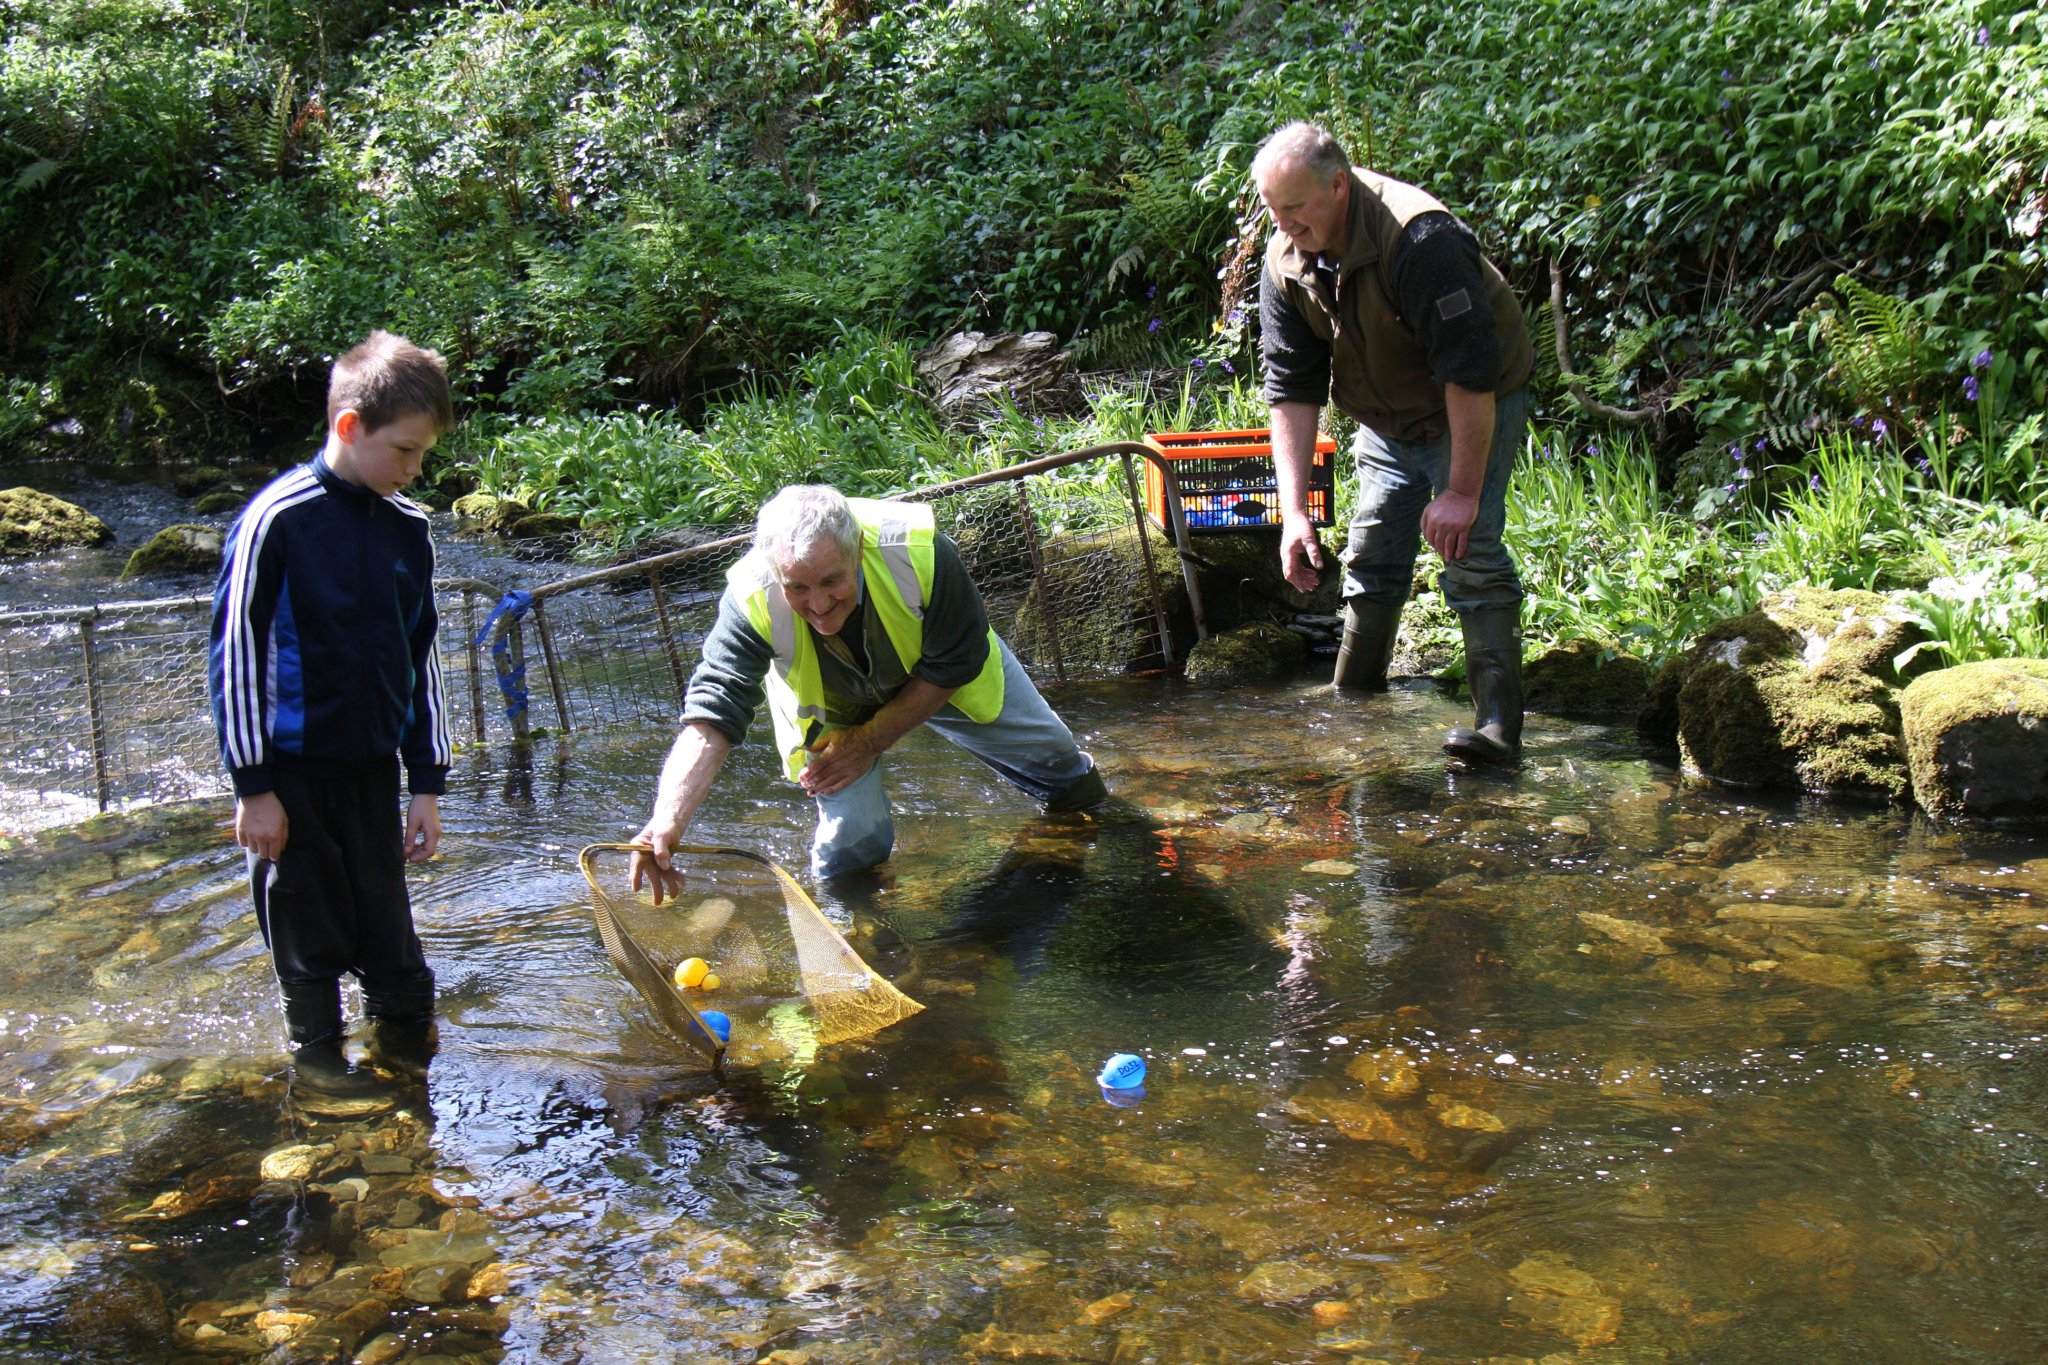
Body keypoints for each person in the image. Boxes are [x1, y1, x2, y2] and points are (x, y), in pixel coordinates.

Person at [631, 485, 1106, 895]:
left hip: (939, 670)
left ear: (856, 549)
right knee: (853, 836)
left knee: (1056, 760)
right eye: (797, 588)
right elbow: (713, 713)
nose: (817, 605)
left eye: (831, 581)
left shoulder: (919, 550)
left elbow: (957, 660)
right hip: (831, 705)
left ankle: (1101, 834)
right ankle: (856, 928)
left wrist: (872, 740)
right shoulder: (750, 598)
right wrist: (668, 819)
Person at [209, 330, 455, 1098]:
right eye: (405, 452)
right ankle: (319, 1078)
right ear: (349, 427)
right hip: (290, 773)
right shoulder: (276, 520)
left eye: (422, 456)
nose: (414, 470)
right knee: (307, 942)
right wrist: (254, 787)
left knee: (396, 953)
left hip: (372, 769)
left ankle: (406, 1070)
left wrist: (427, 782)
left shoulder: (408, 528)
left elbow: (423, 656)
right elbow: (235, 656)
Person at [1252, 121, 1537, 762]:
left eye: (1295, 208)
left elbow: (1470, 368)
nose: (1284, 223)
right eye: (1273, 209)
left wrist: (1461, 491)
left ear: (1340, 186)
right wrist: (1292, 514)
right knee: (1373, 549)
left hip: (1471, 397)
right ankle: (1353, 696)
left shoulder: (1420, 238)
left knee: (1472, 551)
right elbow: (1292, 390)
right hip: (1384, 414)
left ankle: (1499, 730)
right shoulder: (1284, 260)